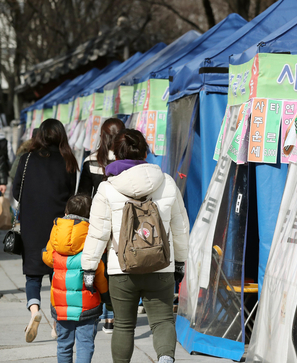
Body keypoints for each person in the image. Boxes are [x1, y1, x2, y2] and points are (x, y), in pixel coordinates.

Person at [81, 129, 189, 363]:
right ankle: (165, 359)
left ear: (116, 153)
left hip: (122, 269)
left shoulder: (107, 188)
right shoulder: (167, 182)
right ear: (145, 152)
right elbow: (180, 228)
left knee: (123, 325)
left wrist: (89, 268)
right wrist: (179, 261)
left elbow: (98, 233)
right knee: (162, 321)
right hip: (161, 267)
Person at [13, 119, 78, 343]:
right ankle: (57, 324)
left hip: (31, 224)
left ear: (39, 135)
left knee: (32, 274)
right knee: (56, 275)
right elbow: (72, 195)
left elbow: (16, 191)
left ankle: (34, 310)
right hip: (58, 226)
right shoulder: (68, 160)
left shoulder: (27, 158)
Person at [42, 194, 109, 363]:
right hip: (87, 304)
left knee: (63, 344)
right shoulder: (91, 234)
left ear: (67, 210)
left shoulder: (56, 230)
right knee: (85, 344)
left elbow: (48, 259)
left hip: (60, 303)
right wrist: (106, 295)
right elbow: (99, 269)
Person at [77, 118, 125, 334]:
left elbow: (84, 198)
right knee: (121, 270)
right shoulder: (130, 160)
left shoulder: (91, 161)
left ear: (102, 137)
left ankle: (104, 313)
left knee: (101, 269)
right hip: (126, 222)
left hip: (100, 221)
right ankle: (117, 314)